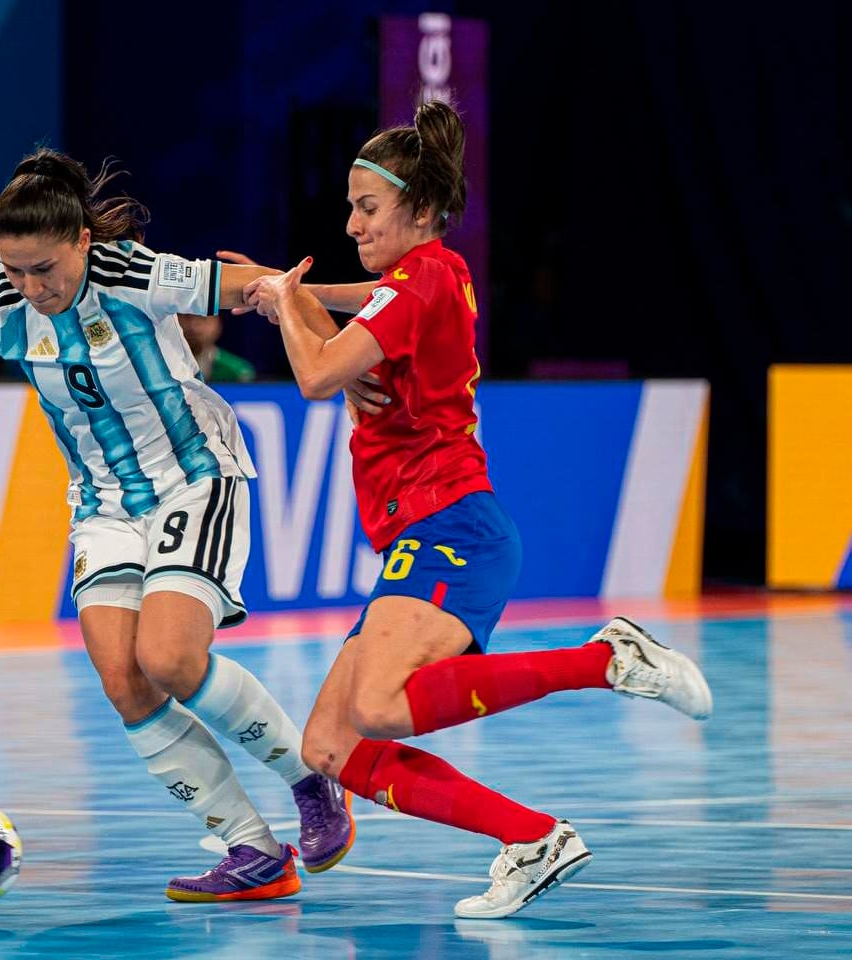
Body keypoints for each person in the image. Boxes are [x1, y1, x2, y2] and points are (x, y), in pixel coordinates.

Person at [0, 148, 354, 902]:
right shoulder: (2, 304)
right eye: (14, 270)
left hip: (192, 477)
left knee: (171, 657)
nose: (31, 288)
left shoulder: (132, 273)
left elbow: (239, 282)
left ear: (82, 241)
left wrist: (279, 295)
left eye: (44, 268)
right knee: (123, 679)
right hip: (102, 507)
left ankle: (311, 781)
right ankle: (253, 850)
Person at [240, 100, 714, 919]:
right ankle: (531, 838)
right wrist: (290, 291)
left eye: (367, 208)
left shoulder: (421, 279)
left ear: (420, 211)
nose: (351, 222)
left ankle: (605, 661)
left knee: (380, 706)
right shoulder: (433, 275)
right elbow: (355, 307)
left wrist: (283, 299)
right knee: (331, 747)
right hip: (425, 535)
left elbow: (316, 375)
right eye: (349, 206)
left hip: (449, 525)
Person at [177, 312, 255, 383]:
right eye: (187, 317)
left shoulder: (237, 371)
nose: (194, 327)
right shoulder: (165, 367)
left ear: (218, 324)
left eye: (203, 318)